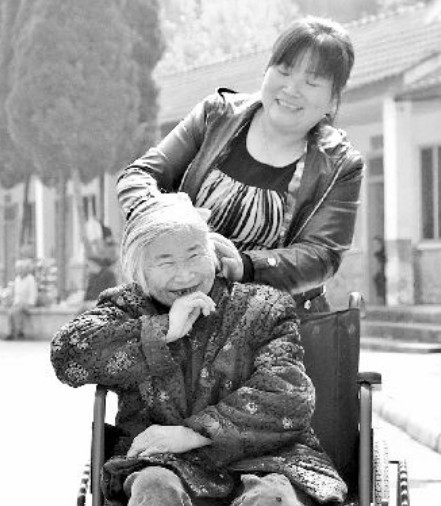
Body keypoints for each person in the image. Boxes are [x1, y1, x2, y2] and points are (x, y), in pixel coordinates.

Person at [51, 193, 347, 506]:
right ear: (139, 271)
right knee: (155, 488)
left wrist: (191, 433)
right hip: (162, 462)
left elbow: (289, 395)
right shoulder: (127, 307)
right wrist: (163, 330)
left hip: (270, 460)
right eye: (166, 262)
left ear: (213, 253)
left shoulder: (264, 306)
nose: (185, 274)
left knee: (271, 498)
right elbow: (68, 355)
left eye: (194, 255)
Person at [117, 16, 365, 315]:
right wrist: (169, 221)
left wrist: (245, 265)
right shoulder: (216, 116)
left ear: (333, 97)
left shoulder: (341, 165)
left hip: (271, 320)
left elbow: (321, 255)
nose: (291, 89)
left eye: (311, 82)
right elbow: (139, 175)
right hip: (172, 305)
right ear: (267, 70)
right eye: (283, 71)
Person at [6, 258, 38, 340]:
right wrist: (13, 301)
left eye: (20, 268)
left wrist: (30, 303)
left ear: (25, 269)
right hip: (17, 304)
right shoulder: (17, 279)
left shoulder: (30, 279)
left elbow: (33, 293)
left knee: (16, 311)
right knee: (10, 312)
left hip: (28, 303)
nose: (19, 270)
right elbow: (16, 294)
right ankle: (13, 332)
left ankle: (18, 332)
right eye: (17, 269)